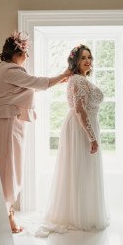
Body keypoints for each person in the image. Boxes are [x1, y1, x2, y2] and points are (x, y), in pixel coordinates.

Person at [0, 30, 71, 233]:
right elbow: (38, 83)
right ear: (16, 52)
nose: (27, 56)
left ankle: (4, 215)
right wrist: (64, 74)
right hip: (3, 123)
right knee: (7, 169)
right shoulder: (11, 71)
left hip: (5, 121)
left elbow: (36, 84)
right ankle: (6, 217)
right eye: (25, 51)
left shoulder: (7, 69)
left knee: (6, 168)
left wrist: (59, 79)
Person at [42, 44, 110, 232]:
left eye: (90, 57)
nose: (88, 61)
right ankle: (78, 216)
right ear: (75, 61)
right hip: (81, 128)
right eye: (83, 58)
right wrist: (92, 137)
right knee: (80, 167)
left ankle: (84, 212)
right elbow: (80, 110)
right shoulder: (77, 81)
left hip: (84, 125)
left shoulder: (79, 80)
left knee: (84, 168)